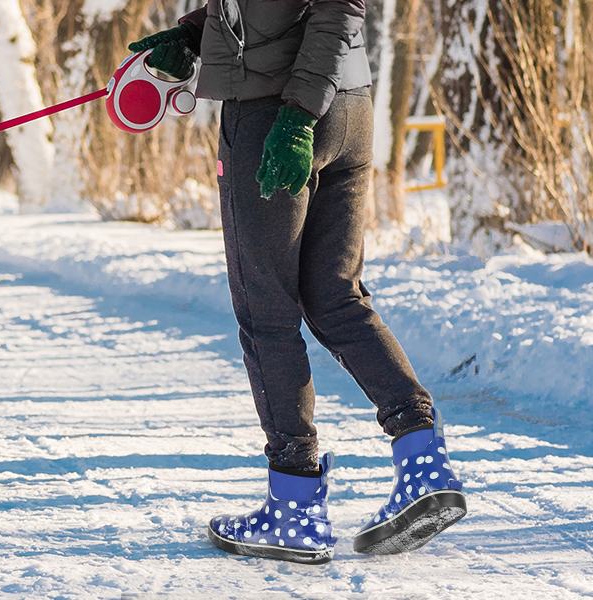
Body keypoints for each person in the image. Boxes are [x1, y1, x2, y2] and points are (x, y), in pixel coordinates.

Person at [126, 0, 468, 564]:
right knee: (335, 297)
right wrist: (194, 35)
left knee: (268, 313)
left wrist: (298, 115)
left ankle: (295, 504)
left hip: (281, 113)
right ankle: (422, 461)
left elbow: (338, 6)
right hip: (346, 109)